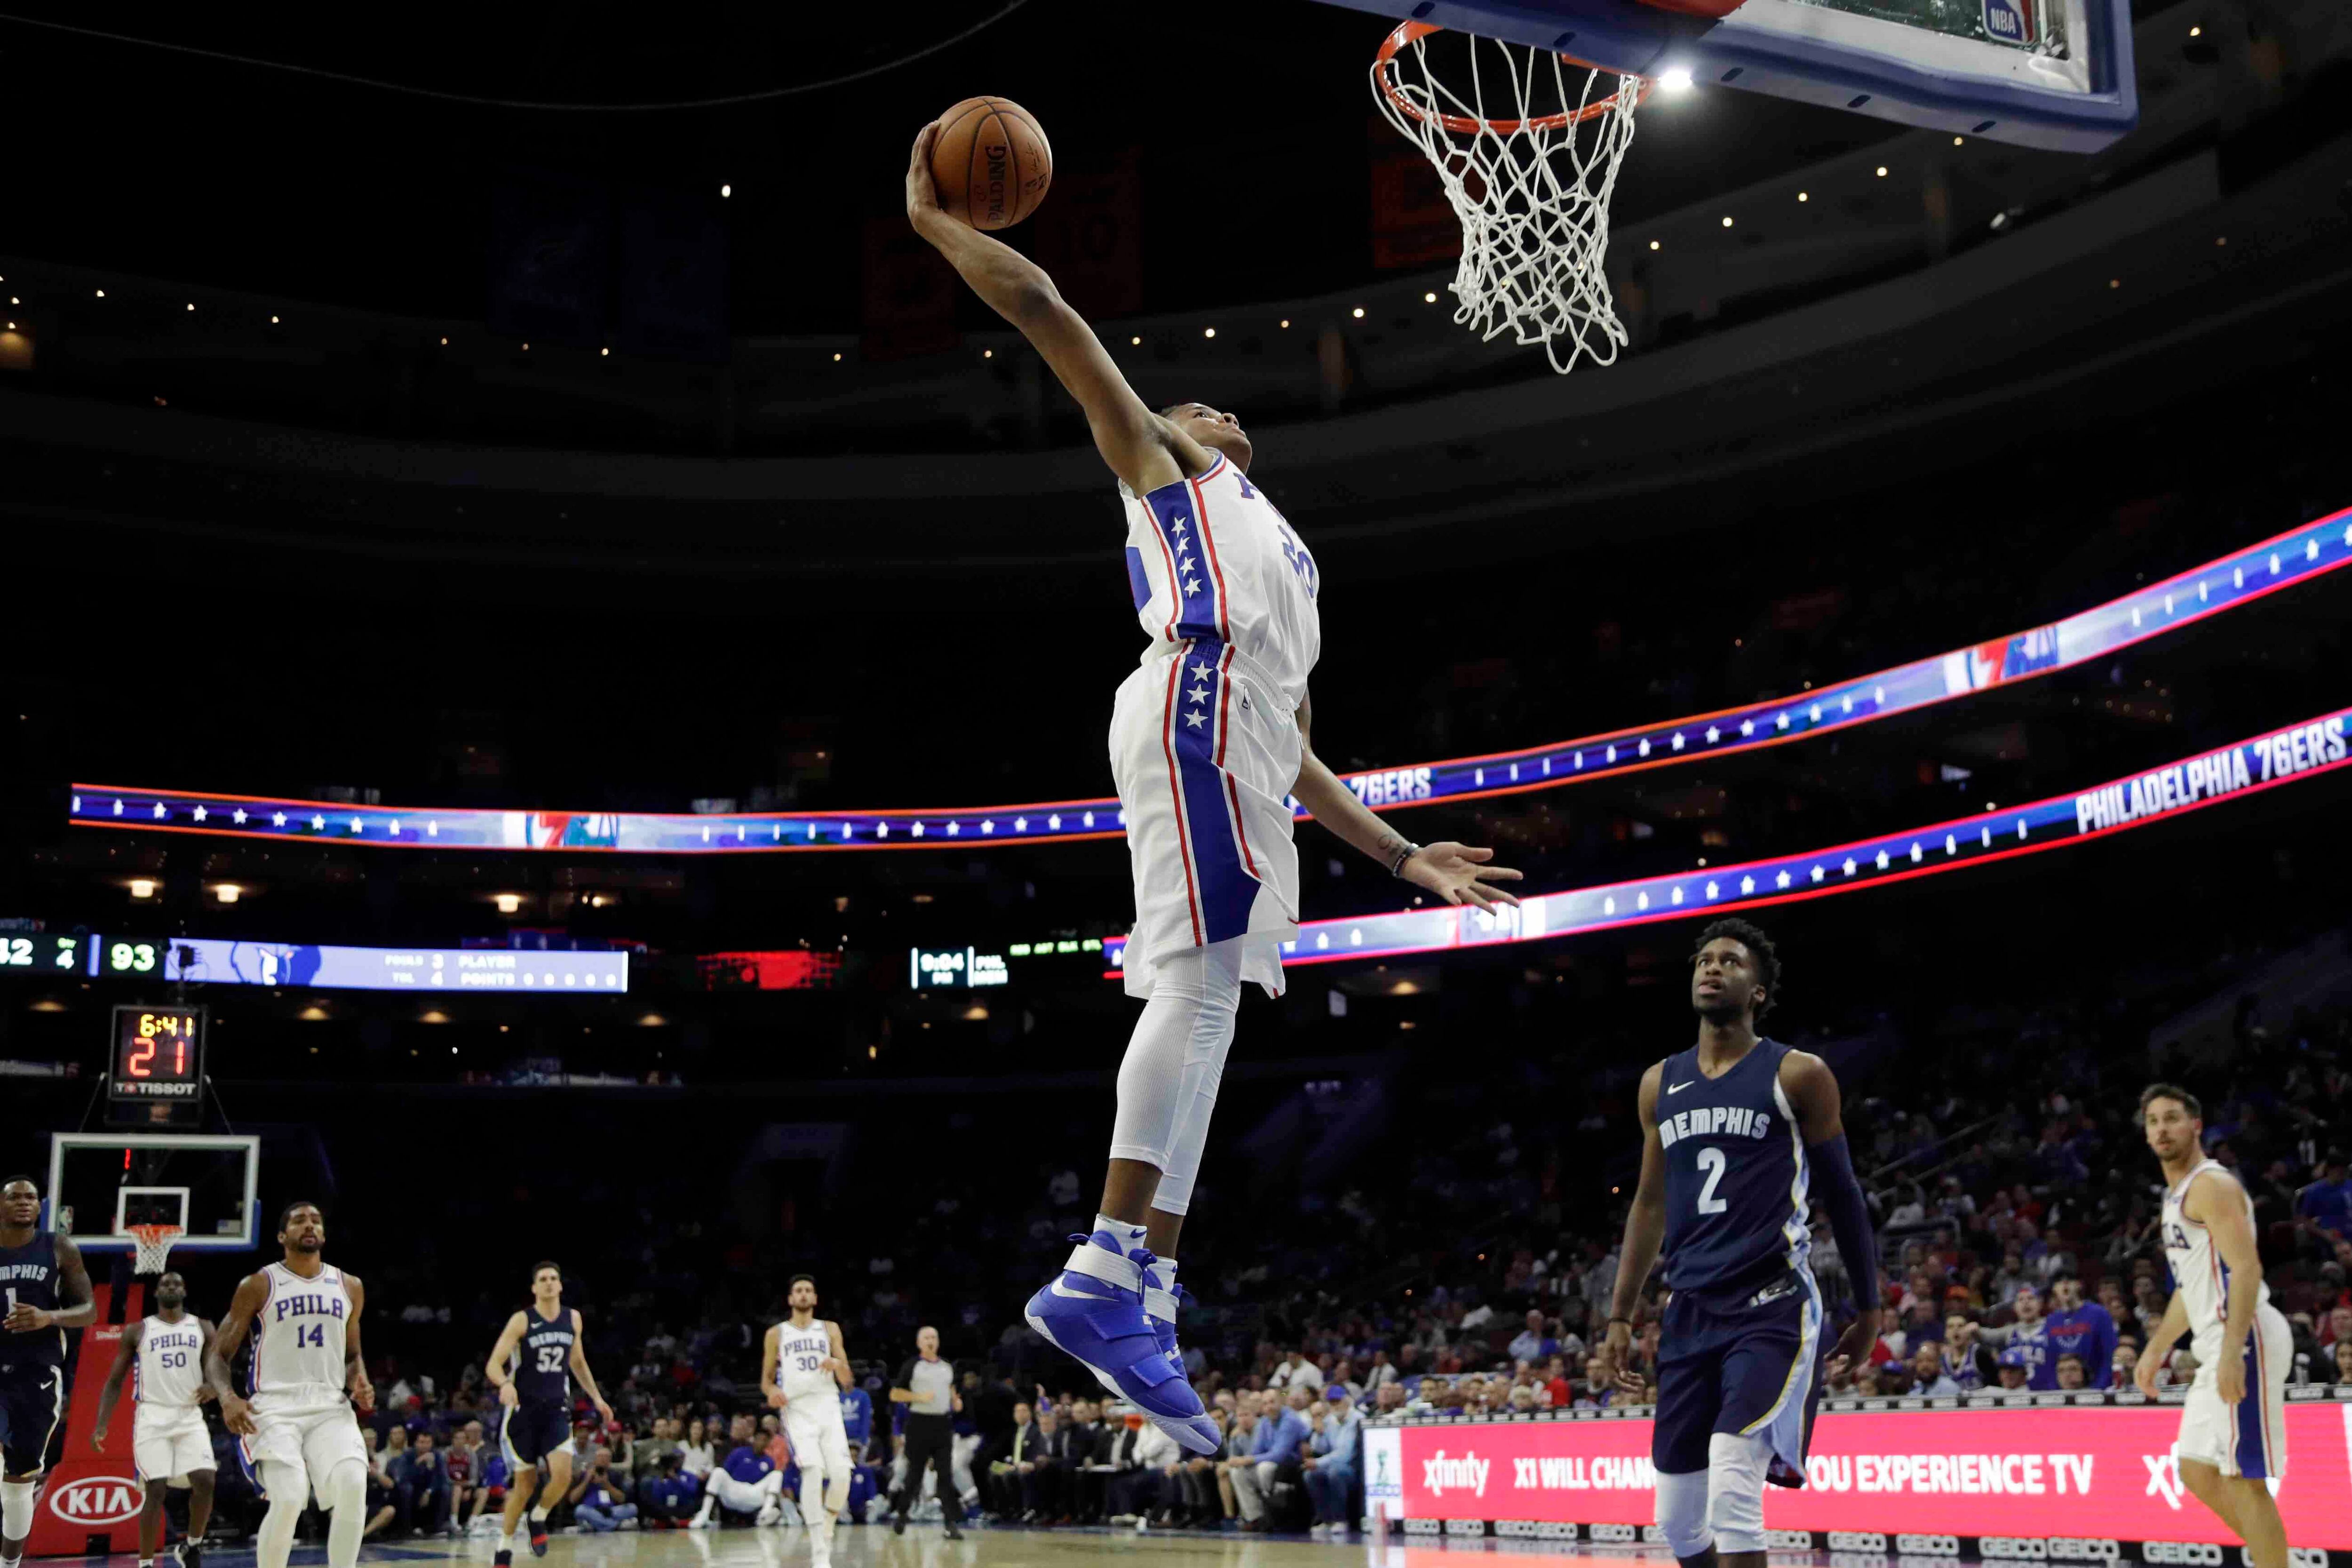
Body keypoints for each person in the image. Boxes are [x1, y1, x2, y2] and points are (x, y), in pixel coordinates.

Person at [902, 126, 1524, 1459]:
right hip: (1192, 704)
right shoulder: (1169, 474)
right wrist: (938, 226)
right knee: (1191, 986)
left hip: (1242, 732)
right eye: (1189, 405)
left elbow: (1293, 743)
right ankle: (1100, 1266)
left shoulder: (1280, 550)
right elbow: (1049, 311)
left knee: (1219, 1001)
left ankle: (1145, 1288)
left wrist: (1402, 855)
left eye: (1214, 409)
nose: (1213, 409)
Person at [1598, 922, 1880, 1568]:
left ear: (1758, 990)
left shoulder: (1799, 1073)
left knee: (1732, 1484)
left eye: (1730, 961)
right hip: (1689, 1309)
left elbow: (1843, 1193)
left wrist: (1868, 1308)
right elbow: (1649, 1202)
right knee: (1677, 1521)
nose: (1712, 968)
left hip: (1769, 1304)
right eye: (1704, 959)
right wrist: (1619, 1315)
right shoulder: (1659, 1083)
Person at [2137, 1084, 2294, 1568]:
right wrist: (2156, 1348)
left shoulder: (2211, 1185)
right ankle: (2278, 1561)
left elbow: (2246, 1268)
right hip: (2216, 1340)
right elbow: (2190, 1286)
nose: (2162, 1129)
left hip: (2243, 1335)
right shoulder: (2176, 1197)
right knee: (2195, 1470)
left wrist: (2231, 1351)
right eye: (2153, 1122)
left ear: (2196, 1125)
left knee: (2242, 1478)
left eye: (2172, 1118)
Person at [206, 1202, 372, 1568]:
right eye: (299, 1221)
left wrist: (359, 1379)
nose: (309, 1225)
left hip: (330, 1405)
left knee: (353, 1484)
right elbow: (218, 1354)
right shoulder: (259, 1284)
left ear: (324, 1233)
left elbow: (352, 1354)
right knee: (290, 1496)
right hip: (274, 1407)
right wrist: (228, 1397)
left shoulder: (350, 1286)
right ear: (283, 1236)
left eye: (316, 1220)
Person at [482, 1262, 613, 1566]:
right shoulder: (522, 1320)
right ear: (534, 1288)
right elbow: (493, 1364)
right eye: (543, 1279)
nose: (549, 1283)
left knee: (563, 1475)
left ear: (561, 1285)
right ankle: (504, 1546)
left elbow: (577, 1362)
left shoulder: (573, 1318)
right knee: (524, 1486)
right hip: (523, 1412)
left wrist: (597, 1398)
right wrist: (504, 1384)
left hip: (556, 1409)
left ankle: (538, 1516)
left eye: (554, 1278)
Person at [91, 1269, 216, 1568]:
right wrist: (102, 1424)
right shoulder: (138, 1330)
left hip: (189, 1414)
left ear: (184, 1292)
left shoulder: (203, 1327)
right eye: (165, 1284)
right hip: (152, 1415)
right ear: (157, 1293)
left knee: (206, 1480)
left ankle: (192, 1546)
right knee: (155, 1489)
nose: (171, 1287)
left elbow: (216, 1366)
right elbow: (115, 1381)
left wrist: (213, 1385)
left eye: (177, 1283)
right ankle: (146, 1563)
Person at [1, 1177, 95, 1568]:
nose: (24, 1202)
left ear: (40, 1206)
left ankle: (9, 1564)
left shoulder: (58, 1247)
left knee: (18, 1482)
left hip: (36, 1372)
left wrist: (48, 1317)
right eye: (14, 1196)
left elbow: (89, 1310)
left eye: (31, 1197)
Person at [762, 1275, 855, 1564]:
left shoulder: (829, 1329)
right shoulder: (777, 1333)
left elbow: (848, 1381)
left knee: (842, 1474)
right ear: (791, 1299)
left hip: (828, 1404)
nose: (803, 1295)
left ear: (815, 1298)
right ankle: (819, 1552)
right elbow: (766, 1381)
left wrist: (838, 1365)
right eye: (798, 1291)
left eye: (808, 1291)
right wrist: (773, 1392)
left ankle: (828, 1523)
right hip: (797, 1408)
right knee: (813, 1471)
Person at [886, 1324, 963, 1538]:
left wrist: (955, 1402)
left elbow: (951, 1391)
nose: (930, 1341)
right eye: (926, 1338)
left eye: (934, 1337)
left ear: (938, 1342)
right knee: (915, 1474)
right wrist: (919, 1398)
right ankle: (902, 1513)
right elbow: (895, 1394)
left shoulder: (947, 1367)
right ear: (919, 1343)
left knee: (945, 1475)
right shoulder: (913, 1366)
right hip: (919, 1424)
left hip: (942, 1425)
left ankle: (950, 1523)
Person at [688, 1415, 787, 1528]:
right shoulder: (739, 1453)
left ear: (768, 1443)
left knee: (777, 1475)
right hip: (734, 1492)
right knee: (718, 1472)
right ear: (754, 1439)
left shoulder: (769, 1461)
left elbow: (770, 1486)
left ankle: (765, 1514)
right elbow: (725, 1473)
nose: (761, 1442)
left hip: (754, 1494)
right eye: (759, 1439)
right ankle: (704, 1515)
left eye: (764, 1440)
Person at [1303, 1385, 1359, 1536]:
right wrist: (1319, 1433)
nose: (1335, 1406)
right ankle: (1326, 1520)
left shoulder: (1357, 1420)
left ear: (1347, 1401)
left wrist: (1318, 1463)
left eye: (1338, 1402)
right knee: (1311, 1475)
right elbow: (1320, 1448)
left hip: (1354, 1466)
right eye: (1332, 1403)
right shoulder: (1331, 1420)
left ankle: (1341, 1520)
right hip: (1334, 1465)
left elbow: (1345, 1454)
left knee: (1335, 1472)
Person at [568, 1448, 636, 1533]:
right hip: (591, 1509)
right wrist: (586, 1481)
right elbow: (573, 1499)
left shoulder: (616, 1475)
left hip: (611, 1510)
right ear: (595, 1459)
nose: (603, 1460)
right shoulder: (585, 1475)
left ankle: (597, 1524)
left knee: (633, 1508)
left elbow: (622, 1499)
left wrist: (607, 1484)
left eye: (606, 1457)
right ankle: (615, 1526)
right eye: (601, 1457)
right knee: (580, 1510)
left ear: (610, 1461)